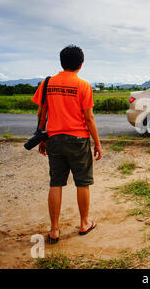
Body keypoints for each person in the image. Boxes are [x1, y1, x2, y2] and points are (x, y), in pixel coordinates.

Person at [32, 45, 102, 244]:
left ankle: (54, 230)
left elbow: (41, 114)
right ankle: (84, 223)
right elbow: (89, 118)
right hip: (78, 140)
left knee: (56, 182)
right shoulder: (83, 86)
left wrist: (42, 138)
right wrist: (97, 143)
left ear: (61, 62)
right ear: (81, 64)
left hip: (53, 138)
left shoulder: (47, 84)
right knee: (83, 182)